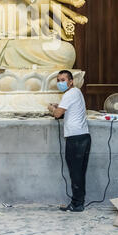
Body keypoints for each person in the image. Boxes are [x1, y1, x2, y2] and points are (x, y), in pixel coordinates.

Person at [48, 69, 91, 212]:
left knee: (75, 172)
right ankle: (78, 202)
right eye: (58, 80)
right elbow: (64, 112)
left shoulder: (69, 94)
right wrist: (58, 108)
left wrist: (51, 109)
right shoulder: (76, 92)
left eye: (63, 80)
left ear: (71, 81)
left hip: (75, 139)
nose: (60, 83)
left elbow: (58, 114)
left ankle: (77, 204)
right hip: (83, 136)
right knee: (80, 171)